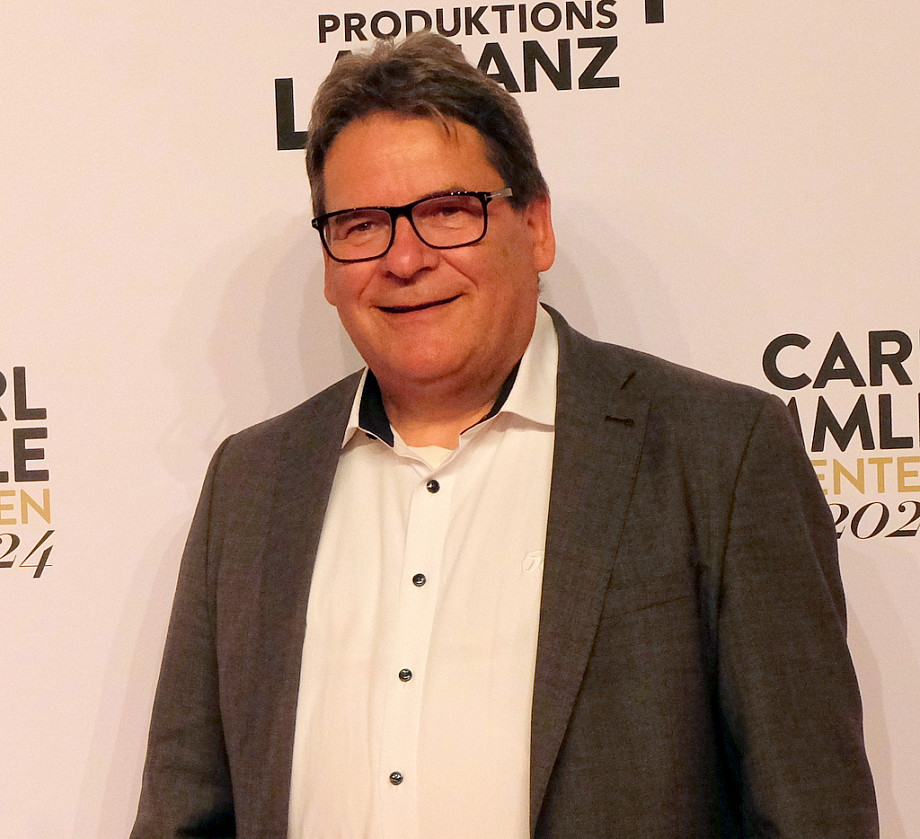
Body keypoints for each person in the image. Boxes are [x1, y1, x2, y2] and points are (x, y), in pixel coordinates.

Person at [131, 32, 878, 839]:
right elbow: (183, 817)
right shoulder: (250, 484)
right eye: (361, 224)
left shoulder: (719, 453)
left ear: (536, 225)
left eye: (447, 212)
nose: (404, 258)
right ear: (329, 261)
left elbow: (814, 813)